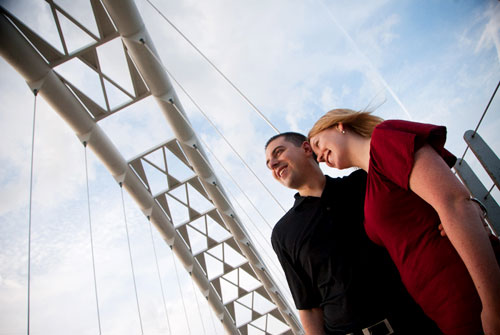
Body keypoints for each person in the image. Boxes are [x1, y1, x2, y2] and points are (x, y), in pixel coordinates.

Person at [308, 108, 500, 335]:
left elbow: (456, 203)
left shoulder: (383, 140)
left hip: (468, 290)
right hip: (442, 307)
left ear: (339, 126)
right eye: (316, 155)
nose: (319, 156)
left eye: (318, 144)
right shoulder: (370, 186)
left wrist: (494, 307)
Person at [265, 132, 440, 335]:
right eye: (269, 164)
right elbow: (308, 306)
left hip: (416, 322)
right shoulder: (283, 233)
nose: (274, 164)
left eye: (278, 153)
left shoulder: (363, 183)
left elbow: (423, 203)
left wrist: (457, 211)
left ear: (306, 149)